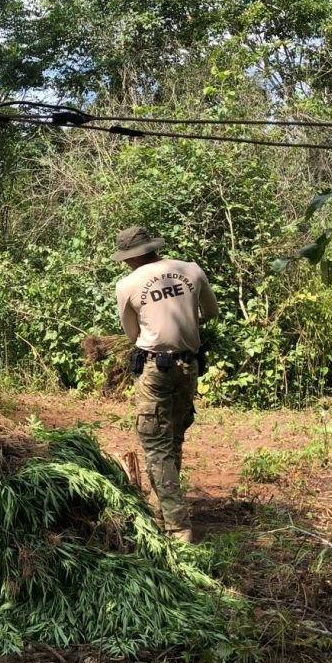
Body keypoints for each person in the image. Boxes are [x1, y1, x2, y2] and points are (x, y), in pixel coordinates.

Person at [113, 226, 218, 541]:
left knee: (156, 447)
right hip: (189, 366)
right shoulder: (190, 270)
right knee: (172, 438)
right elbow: (210, 312)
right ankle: (161, 510)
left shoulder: (128, 284)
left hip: (155, 371)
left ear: (131, 257)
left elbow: (133, 336)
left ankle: (176, 528)